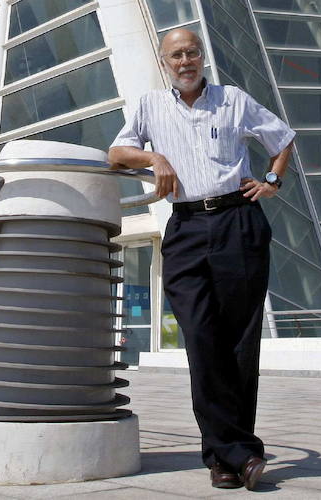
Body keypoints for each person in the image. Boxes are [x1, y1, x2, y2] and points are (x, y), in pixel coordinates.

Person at [108, 27, 294, 491]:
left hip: (238, 221)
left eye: (191, 52)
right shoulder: (151, 106)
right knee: (201, 339)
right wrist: (155, 159)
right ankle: (239, 452)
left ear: (201, 57)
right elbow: (115, 154)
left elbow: (282, 139)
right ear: (164, 61)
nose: (185, 60)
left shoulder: (232, 99)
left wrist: (272, 179)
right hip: (186, 228)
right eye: (176, 55)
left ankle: (224, 459)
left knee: (239, 342)